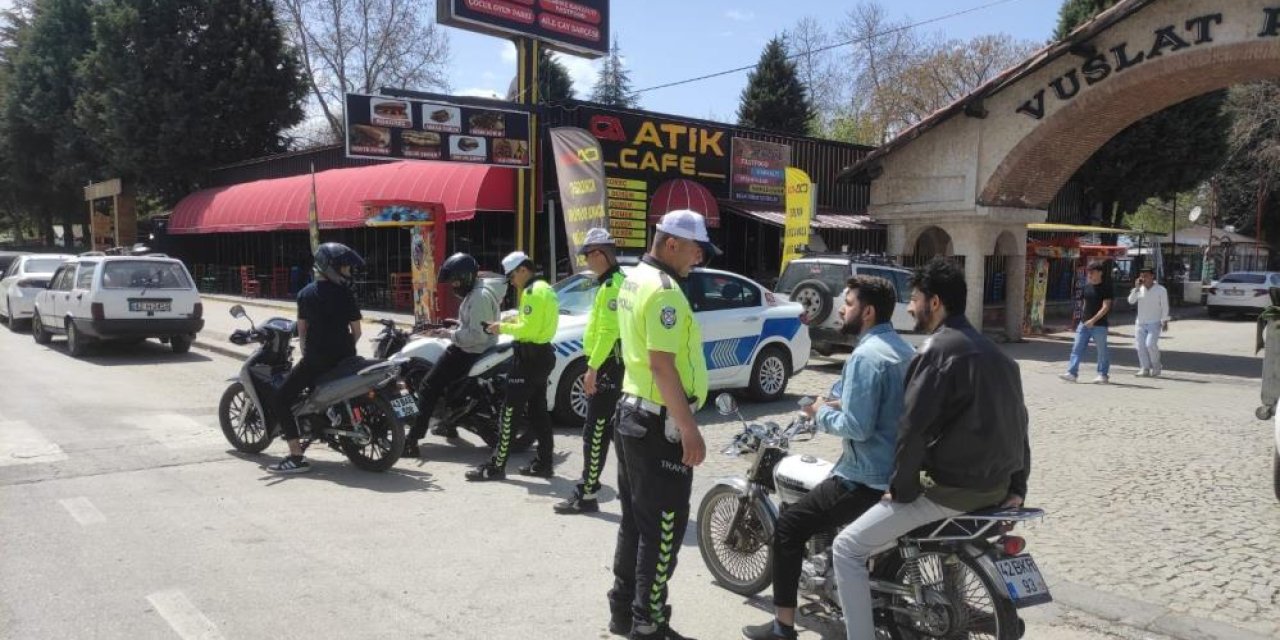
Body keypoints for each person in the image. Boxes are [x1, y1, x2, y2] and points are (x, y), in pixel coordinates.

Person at [831, 258, 1030, 640]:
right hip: (997, 489)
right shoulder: (1001, 358)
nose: (910, 307)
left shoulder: (936, 352)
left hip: (951, 490)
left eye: (915, 298)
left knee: (847, 547)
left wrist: (902, 488)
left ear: (934, 302)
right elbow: (1021, 428)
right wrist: (1017, 489)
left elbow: (913, 428)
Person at [741, 276, 914, 640]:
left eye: (848, 303)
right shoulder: (902, 349)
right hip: (898, 473)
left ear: (866, 311)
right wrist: (833, 400)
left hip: (865, 477)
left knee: (788, 529)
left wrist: (819, 413)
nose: (841, 309)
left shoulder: (866, 356)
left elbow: (857, 425)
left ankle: (782, 627)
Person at [607, 210, 718, 640]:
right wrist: (688, 426)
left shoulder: (634, 279)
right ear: (671, 243)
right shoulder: (666, 292)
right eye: (696, 248)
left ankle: (624, 611)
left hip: (632, 413)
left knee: (636, 522)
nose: (699, 257)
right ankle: (649, 624)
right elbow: (663, 366)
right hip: (658, 423)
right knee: (663, 530)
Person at [267, 242, 366, 474]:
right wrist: (344, 348)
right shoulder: (346, 293)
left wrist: (309, 352)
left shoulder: (305, 294)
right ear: (331, 267)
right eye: (345, 268)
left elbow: (302, 332)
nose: (348, 272)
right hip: (346, 360)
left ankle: (296, 456)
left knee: (281, 399)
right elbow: (357, 332)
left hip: (317, 361)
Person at [465, 251, 560, 481]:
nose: (512, 282)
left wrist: (501, 328)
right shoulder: (545, 288)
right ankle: (544, 464)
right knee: (539, 414)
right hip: (542, 356)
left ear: (523, 270)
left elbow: (528, 330)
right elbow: (533, 323)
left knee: (509, 413)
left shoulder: (532, 292)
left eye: (512, 276)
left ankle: (496, 467)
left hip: (528, 359)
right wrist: (507, 321)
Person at [555, 228, 626, 515]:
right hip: (613, 365)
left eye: (587, 255)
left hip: (609, 365)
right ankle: (628, 488)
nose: (585, 261)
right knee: (614, 431)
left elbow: (609, 332)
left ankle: (587, 493)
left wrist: (593, 369)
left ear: (600, 254)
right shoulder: (613, 282)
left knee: (594, 431)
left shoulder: (613, 287)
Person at [403, 253, 499, 457]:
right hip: (471, 348)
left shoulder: (479, 297)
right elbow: (473, 325)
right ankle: (449, 425)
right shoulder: (477, 292)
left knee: (428, 386)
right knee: (444, 385)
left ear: (466, 277)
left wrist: (449, 334)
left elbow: (477, 335)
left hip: (471, 351)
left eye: (455, 281)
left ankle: (412, 440)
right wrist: (449, 328)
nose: (454, 285)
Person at [1060, 261, 1114, 384]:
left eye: (1092, 272)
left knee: (1102, 351)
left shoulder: (1106, 287)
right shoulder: (1087, 287)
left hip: (1099, 325)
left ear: (1100, 273)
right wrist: (1082, 319)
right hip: (1084, 323)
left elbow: (1106, 307)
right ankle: (1072, 373)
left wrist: (1093, 320)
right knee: (1077, 348)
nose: (1089, 274)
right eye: (1088, 272)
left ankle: (1102, 374)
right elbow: (1085, 304)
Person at [1127, 265, 1170, 378]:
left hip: (1154, 322)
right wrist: (1136, 288)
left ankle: (1156, 366)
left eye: (1146, 276)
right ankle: (1144, 368)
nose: (1143, 278)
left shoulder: (1161, 290)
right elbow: (1131, 301)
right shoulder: (1139, 289)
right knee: (1140, 346)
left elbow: (1165, 306)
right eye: (1142, 276)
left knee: (1150, 344)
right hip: (1140, 322)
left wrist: (1164, 320)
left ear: (1152, 276)